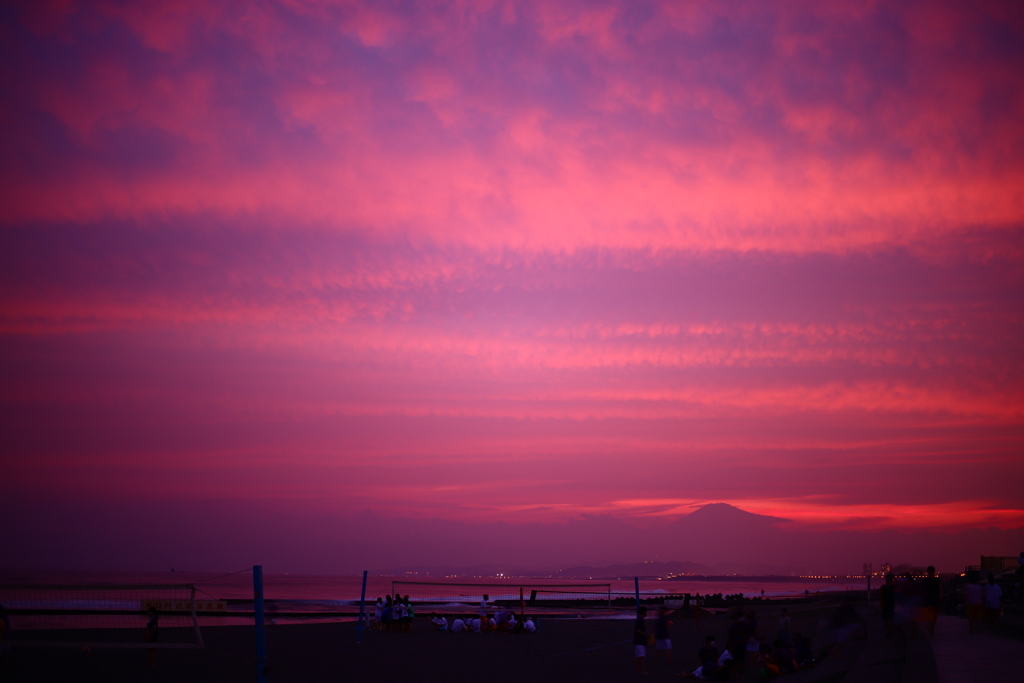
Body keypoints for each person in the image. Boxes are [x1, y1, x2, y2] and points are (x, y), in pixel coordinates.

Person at [920, 566, 941, 638]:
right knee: (929, 615)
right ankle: (931, 628)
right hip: (928, 599)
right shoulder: (925, 581)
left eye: (931, 571)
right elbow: (922, 590)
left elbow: (940, 589)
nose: (930, 573)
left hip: (934, 599)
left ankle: (931, 628)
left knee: (934, 615)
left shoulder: (937, 580)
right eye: (930, 571)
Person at [633, 606, 649, 674]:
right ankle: (643, 671)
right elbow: (638, 630)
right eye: (646, 611)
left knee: (640, 657)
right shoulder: (640, 620)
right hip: (639, 641)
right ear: (643, 612)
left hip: (641, 641)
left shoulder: (641, 620)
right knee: (641, 656)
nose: (646, 613)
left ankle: (638, 670)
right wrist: (646, 635)